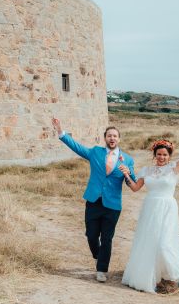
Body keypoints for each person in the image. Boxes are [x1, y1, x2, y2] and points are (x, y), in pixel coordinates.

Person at [118, 127, 179, 293]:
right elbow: (135, 188)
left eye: (165, 154)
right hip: (150, 208)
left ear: (169, 156)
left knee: (165, 244)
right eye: (159, 154)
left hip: (167, 208)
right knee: (149, 242)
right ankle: (149, 276)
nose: (162, 157)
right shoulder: (146, 170)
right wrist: (127, 175)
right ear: (154, 155)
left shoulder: (174, 169)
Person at [52, 118, 136, 282]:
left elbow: (132, 181)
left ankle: (102, 270)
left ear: (119, 139)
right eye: (109, 136)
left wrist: (128, 173)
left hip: (112, 204)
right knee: (91, 235)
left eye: (115, 136)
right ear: (105, 138)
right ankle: (98, 256)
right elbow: (77, 147)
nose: (112, 138)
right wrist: (61, 132)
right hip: (93, 200)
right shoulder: (95, 152)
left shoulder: (127, 159)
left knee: (107, 238)